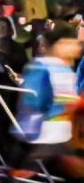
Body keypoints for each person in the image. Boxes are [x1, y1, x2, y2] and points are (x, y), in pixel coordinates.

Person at [19, 24, 84, 177]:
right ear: (58, 44)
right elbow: (35, 101)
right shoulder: (42, 67)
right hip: (46, 134)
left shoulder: (65, 68)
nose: (76, 46)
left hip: (63, 134)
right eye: (70, 43)